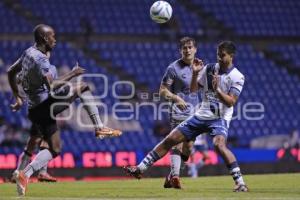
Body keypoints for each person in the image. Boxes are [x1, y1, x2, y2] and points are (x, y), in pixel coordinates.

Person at [7, 24, 122, 196]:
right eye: (52, 36)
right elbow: (52, 85)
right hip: (45, 105)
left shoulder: (28, 53)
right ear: (45, 38)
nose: (55, 39)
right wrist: (73, 73)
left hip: (34, 108)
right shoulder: (40, 60)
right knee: (82, 87)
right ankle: (99, 128)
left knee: (48, 145)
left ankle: (25, 174)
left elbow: (10, 72)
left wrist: (17, 96)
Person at [124, 41, 249, 192]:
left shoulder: (238, 76)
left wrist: (217, 91)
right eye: (218, 55)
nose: (219, 59)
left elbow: (231, 102)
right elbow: (193, 90)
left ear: (231, 56)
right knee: (170, 139)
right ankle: (140, 168)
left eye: (222, 56)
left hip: (219, 118)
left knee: (218, 145)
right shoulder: (210, 68)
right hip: (201, 114)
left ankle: (240, 183)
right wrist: (196, 73)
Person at [159, 37, 200, 189]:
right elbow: (162, 90)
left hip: (195, 113)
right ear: (180, 50)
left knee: (188, 148)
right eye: (184, 48)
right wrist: (175, 98)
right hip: (177, 111)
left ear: (195, 49)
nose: (187, 50)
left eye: (190, 47)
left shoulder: (200, 67)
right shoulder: (173, 68)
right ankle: (176, 176)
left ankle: (171, 176)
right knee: (178, 143)